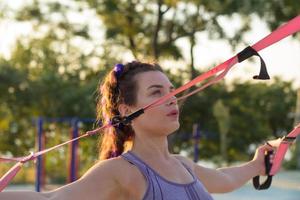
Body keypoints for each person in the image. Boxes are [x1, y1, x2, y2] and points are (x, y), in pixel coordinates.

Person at [0, 61, 280, 200]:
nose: (172, 98)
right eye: (157, 92)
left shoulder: (183, 165)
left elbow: (223, 179)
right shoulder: (121, 171)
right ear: (126, 110)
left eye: (172, 91)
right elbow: (49, 199)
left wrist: (258, 164)